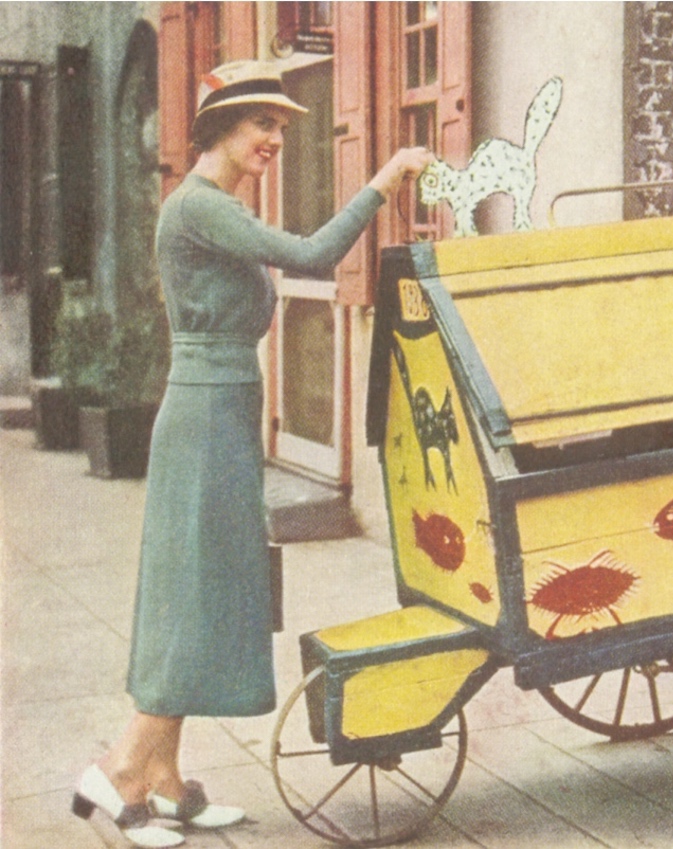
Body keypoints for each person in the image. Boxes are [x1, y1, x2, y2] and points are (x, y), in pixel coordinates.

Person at [71, 60, 434, 848]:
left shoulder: (213, 207)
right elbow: (311, 256)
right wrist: (383, 181)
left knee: (206, 582)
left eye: (280, 127)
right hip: (204, 414)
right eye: (262, 124)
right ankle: (120, 770)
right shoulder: (199, 207)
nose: (275, 138)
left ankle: (164, 778)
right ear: (220, 128)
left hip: (221, 409)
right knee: (196, 587)